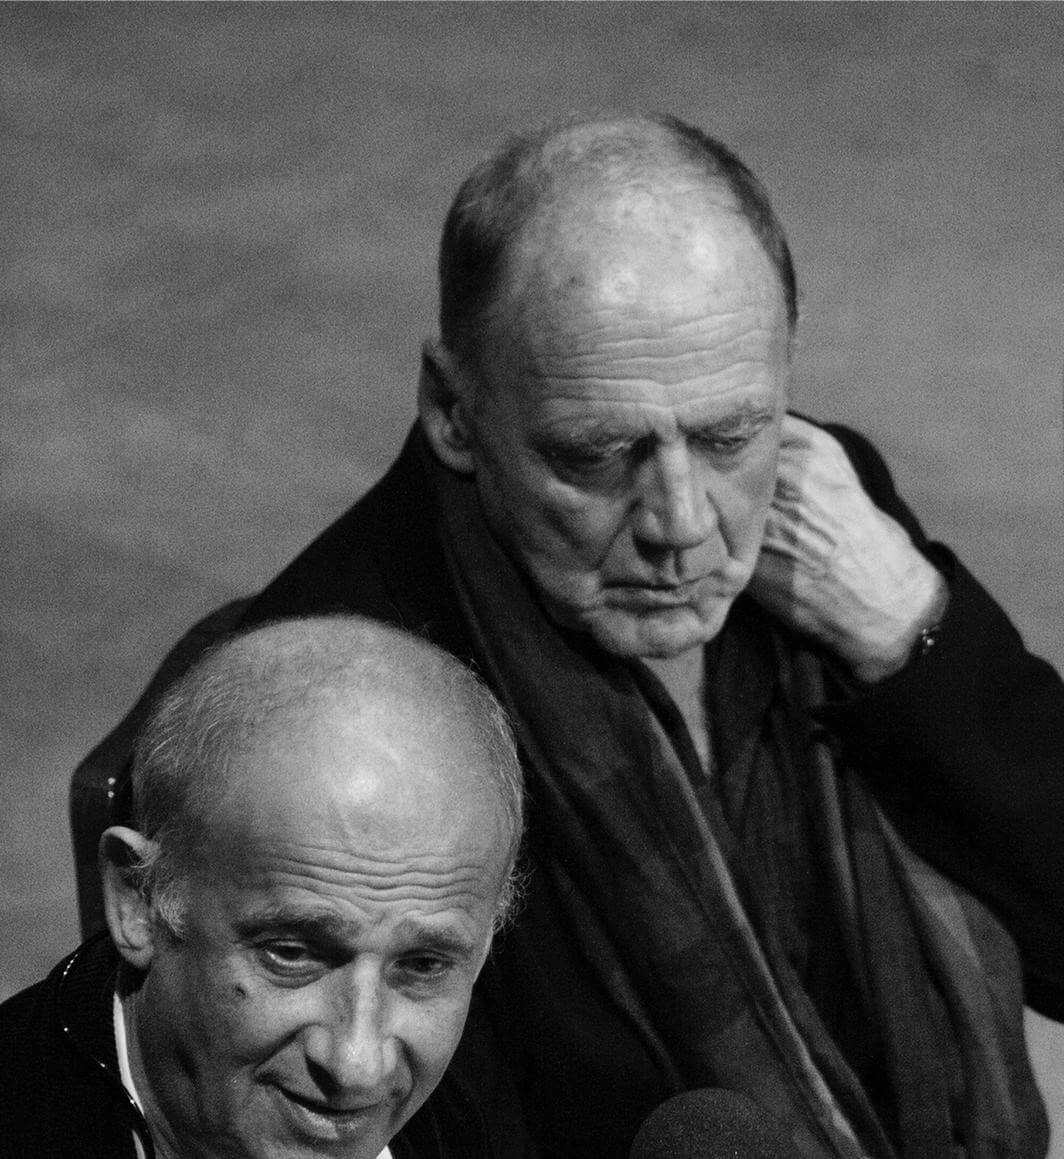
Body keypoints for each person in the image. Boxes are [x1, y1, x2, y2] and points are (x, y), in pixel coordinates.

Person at [83, 112, 1062, 1158]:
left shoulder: (825, 526)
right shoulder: (346, 734)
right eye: (597, 454)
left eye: (731, 434)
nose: (681, 524)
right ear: (453, 411)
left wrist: (912, 636)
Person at [2, 616, 525, 1159]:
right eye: (291, 954)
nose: (357, 1066)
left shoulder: (474, 1116)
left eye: (423, 965)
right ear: (140, 899)